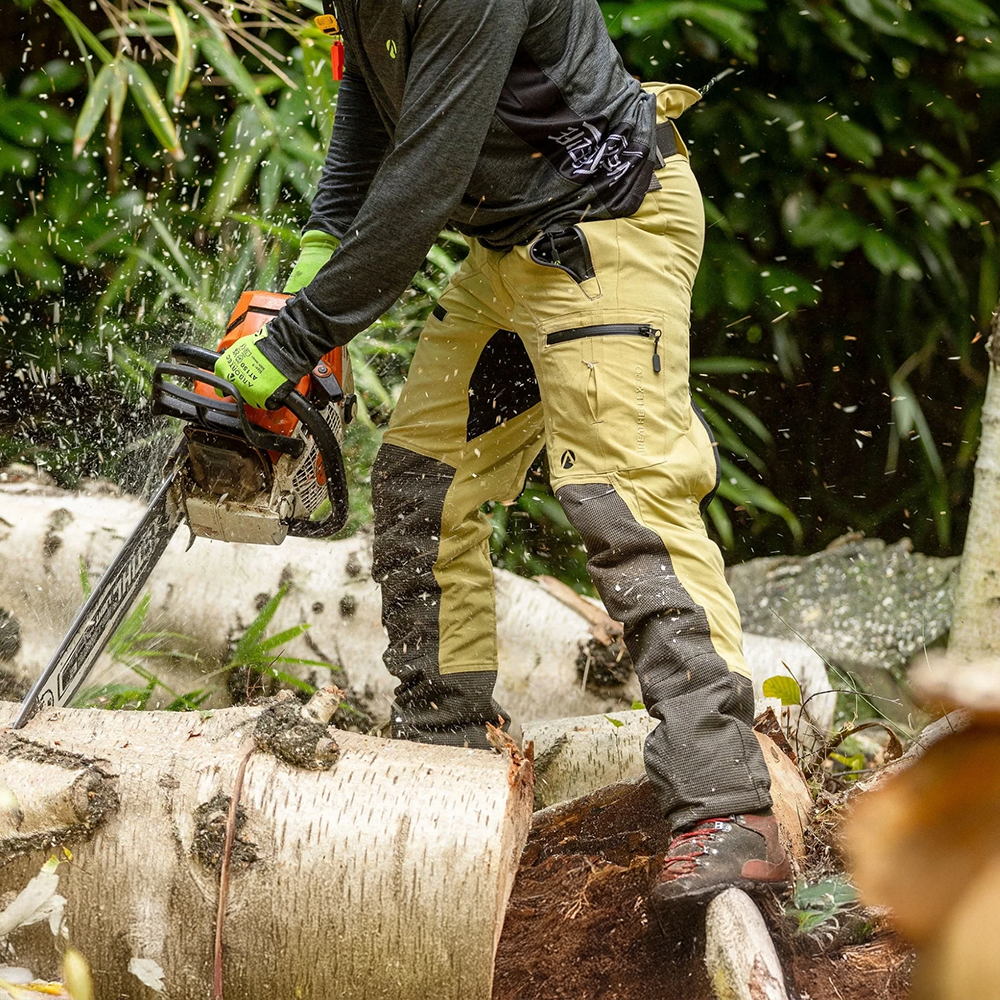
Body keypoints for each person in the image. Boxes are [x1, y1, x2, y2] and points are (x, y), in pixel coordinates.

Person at [215, 0, 790, 907]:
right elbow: (369, 103)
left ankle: (730, 804)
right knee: (421, 479)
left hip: (608, 229)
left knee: (622, 500)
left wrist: (296, 341)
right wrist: (321, 250)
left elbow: (425, 176)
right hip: (508, 249)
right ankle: (447, 740)